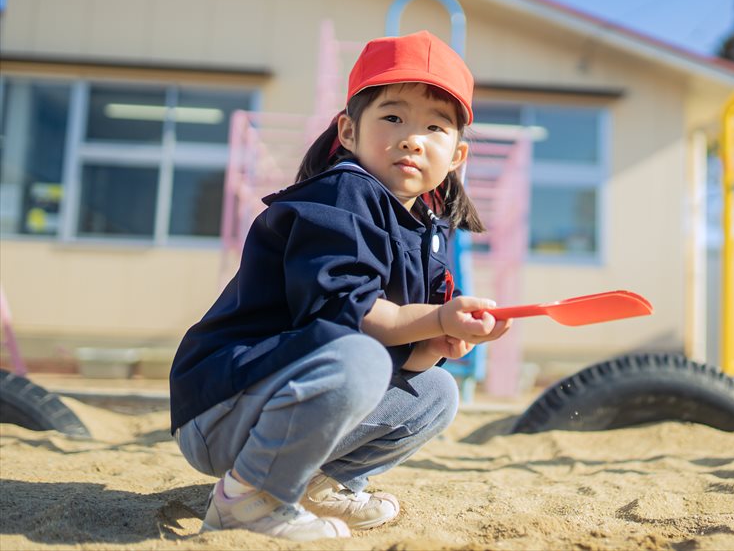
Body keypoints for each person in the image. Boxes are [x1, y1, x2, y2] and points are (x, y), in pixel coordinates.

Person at [169, 30, 511, 542]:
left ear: (457, 155)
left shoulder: (428, 230)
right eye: (392, 117)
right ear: (348, 132)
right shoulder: (344, 191)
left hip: (281, 400)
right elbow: (343, 320)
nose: (412, 138)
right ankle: (248, 498)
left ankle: (313, 483)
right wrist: (436, 318)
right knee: (360, 355)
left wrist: (433, 341)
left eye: (435, 127)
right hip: (224, 401)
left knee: (436, 389)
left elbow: (393, 352)